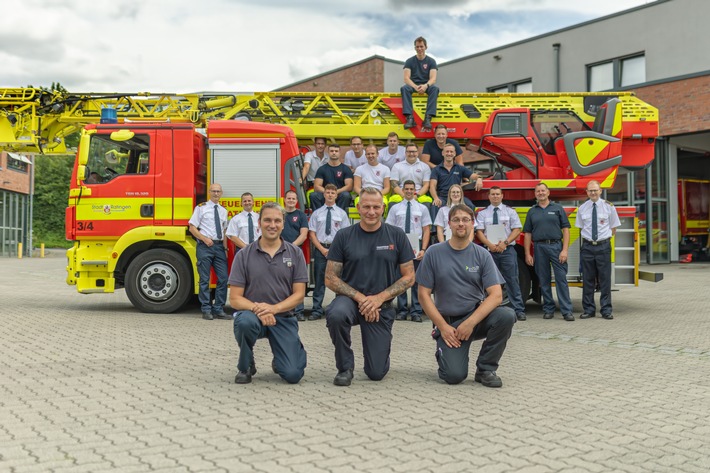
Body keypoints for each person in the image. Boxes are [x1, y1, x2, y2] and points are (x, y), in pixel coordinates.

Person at [417, 204, 516, 387]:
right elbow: (423, 295)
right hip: (448, 324)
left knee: (506, 316)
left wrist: (470, 323)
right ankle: (443, 351)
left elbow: (496, 296)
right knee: (454, 376)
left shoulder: (482, 255)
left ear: (473, 224)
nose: (461, 224)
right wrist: (443, 327)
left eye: (465, 220)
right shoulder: (434, 253)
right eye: (456, 220)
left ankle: (485, 369)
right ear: (449, 224)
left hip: (474, 319)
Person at [325, 187, 415, 386]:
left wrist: (379, 299)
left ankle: (379, 353)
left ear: (383, 208)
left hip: (381, 306)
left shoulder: (397, 235)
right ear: (358, 207)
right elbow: (330, 278)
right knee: (336, 314)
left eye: (376, 207)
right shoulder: (344, 236)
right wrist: (362, 299)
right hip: (350, 302)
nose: (371, 212)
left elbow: (409, 277)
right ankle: (345, 367)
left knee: (376, 373)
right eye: (366, 207)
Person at [229, 202, 308, 384]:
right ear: (259, 223)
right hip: (253, 316)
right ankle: (246, 365)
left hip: (284, 317)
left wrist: (274, 309)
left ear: (283, 224)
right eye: (267, 220)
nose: (272, 225)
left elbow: (299, 295)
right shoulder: (244, 255)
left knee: (293, 374)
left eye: (277, 221)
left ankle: (283, 356)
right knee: (244, 322)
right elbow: (235, 299)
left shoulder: (295, 253)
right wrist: (260, 310)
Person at [523, 182, 574, 321]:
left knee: (561, 279)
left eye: (543, 191)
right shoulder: (532, 211)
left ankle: (566, 311)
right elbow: (527, 233)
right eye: (538, 191)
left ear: (548, 192)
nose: (540, 193)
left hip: (556, 247)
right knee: (544, 281)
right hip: (539, 248)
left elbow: (566, 230)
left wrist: (565, 250)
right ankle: (548, 309)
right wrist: (528, 253)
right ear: (535, 194)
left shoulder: (557, 208)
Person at [476, 186, 527, 321]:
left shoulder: (510, 212)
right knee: (488, 281)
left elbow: (517, 229)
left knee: (512, 280)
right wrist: (490, 245)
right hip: (490, 252)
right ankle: (486, 311)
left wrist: (505, 242)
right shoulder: (483, 213)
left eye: (498, 194)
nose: (495, 196)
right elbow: (479, 232)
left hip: (507, 251)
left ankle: (519, 310)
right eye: (492, 194)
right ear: (489, 196)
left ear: (502, 196)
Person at [385, 180, 431, 322]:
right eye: (407, 189)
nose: (409, 191)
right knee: (401, 280)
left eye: (412, 189)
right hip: (400, 246)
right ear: (403, 191)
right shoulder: (395, 208)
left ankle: (416, 311)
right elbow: (389, 229)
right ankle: (402, 310)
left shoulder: (422, 208)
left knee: (416, 281)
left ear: (415, 190)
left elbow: (426, 230)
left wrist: (423, 249)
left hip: (416, 246)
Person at [575, 180, 621, 320]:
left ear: (600, 191)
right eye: (590, 190)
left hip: (603, 246)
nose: (593, 193)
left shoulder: (609, 207)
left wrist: (602, 240)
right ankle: (589, 310)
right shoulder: (582, 208)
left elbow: (613, 228)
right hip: (588, 246)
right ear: (587, 192)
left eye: (595, 190)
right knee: (587, 279)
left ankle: (606, 310)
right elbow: (582, 227)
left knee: (605, 279)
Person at [308, 184, 351, 321]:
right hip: (321, 249)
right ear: (324, 194)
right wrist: (322, 249)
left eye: (333, 192)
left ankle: (339, 308)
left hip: (337, 250)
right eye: (328, 192)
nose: (330, 194)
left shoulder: (342, 214)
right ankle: (316, 310)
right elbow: (312, 234)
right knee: (319, 280)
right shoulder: (317, 213)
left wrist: (334, 250)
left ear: (336, 195)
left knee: (338, 281)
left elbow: (345, 235)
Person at [188, 183, 230, 320]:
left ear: (221, 193)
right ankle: (206, 309)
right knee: (204, 280)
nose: (216, 194)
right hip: (205, 247)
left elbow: (224, 231)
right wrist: (204, 239)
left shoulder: (223, 211)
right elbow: (192, 228)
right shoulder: (201, 208)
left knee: (223, 278)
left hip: (218, 247)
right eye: (213, 191)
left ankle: (218, 309)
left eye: (218, 191)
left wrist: (224, 248)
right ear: (209, 192)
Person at [429, 143, 478, 222]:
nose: (449, 154)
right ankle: (435, 232)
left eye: (451, 152)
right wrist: (436, 198)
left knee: (470, 205)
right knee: (435, 206)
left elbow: (474, 176)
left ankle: (472, 228)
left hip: (457, 196)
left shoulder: (460, 168)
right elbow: (432, 186)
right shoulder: (436, 169)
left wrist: (479, 179)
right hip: (443, 197)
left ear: (454, 153)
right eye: (447, 151)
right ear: (443, 153)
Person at [282, 189, 310, 321]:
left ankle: (299, 311)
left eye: (293, 199)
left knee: (298, 281)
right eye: (289, 198)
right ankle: (285, 309)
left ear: (296, 201)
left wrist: (291, 246)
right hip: (280, 252)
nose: (291, 201)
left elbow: (304, 234)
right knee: (282, 281)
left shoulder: (301, 215)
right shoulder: (280, 213)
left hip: (296, 252)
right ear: (285, 199)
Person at [401, 36, 439, 130]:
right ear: (415, 48)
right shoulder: (409, 61)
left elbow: (433, 78)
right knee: (404, 88)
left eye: (421, 46)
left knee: (435, 89)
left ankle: (427, 118)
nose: (419, 49)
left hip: (426, 85)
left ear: (426, 47)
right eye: (417, 47)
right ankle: (410, 118)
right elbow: (406, 78)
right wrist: (415, 86)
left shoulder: (431, 61)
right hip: (413, 85)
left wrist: (426, 86)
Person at [310, 143, 354, 211]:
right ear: (328, 152)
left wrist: (336, 192)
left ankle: (340, 216)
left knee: (346, 195)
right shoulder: (322, 169)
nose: (334, 153)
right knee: (314, 195)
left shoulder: (346, 169)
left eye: (336, 151)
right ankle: (318, 216)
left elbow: (349, 186)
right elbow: (316, 186)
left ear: (339, 153)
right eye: (332, 151)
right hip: (325, 195)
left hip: (339, 194)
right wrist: (328, 192)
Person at [389, 142, 432, 208]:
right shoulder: (397, 166)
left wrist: (417, 196)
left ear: (417, 153)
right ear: (405, 153)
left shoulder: (425, 167)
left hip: (419, 194)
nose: (411, 154)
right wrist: (403, 195)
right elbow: (393, 184)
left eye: (414, 151)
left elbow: (426, 185)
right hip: (401, 194)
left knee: (427, 203)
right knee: (392, 202)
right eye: (409, 152)